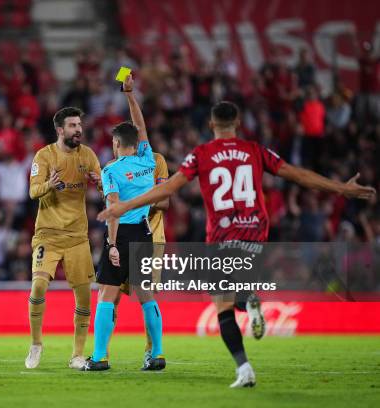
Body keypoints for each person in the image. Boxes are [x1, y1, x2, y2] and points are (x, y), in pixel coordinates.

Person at [97, 101, 376, 386]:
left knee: (222, 305)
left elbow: (168, 188)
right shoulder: (255, 150)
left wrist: (123, 206)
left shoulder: (201, 155)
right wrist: (342, 188)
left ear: (210, 125)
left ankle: (244, 368)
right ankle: (247, 299)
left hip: (221, 235)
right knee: (238, 290)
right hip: (256, 232)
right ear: (239, 123)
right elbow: (298, 174)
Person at [82, 74, 165, 371]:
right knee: (146, 294)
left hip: (123, 234)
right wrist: (130, 95)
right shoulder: (148, 162)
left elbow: (114, 208)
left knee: (106, 293)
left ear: (116, 143)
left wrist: (112, 244)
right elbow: (141, 127)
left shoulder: (111, 170)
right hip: (144, 231)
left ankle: (100, 357)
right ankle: (157, 353)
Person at [25, 106, 102, 370]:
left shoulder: (88, 155)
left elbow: (107, 189)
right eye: (72, 126)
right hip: (48, 234)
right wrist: (50, 185)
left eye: (79, 125)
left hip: (78, 236)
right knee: (38, 287)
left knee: (84, 298)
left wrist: (100, 184)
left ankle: (77, 355)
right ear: (60, 130)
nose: (78, 129)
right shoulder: (44, 156)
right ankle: (36, 344)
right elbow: (33, 191)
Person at [111, 151, 169, 361]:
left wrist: (135, 200)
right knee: (111, 296)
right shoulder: (114, 165)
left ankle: (152, 351)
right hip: (122, 237)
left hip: (151, 236)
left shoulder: (157, 161)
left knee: (147, 296)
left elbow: (164, 202)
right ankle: (102, 353)